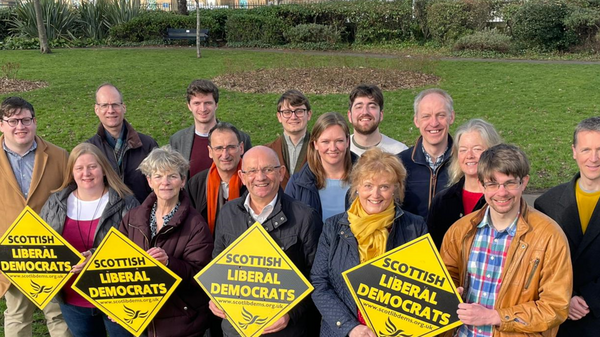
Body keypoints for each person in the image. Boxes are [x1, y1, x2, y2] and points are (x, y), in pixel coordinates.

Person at [441, 144, 572, 336]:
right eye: (492, 184)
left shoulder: (549, 236)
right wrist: (451, 292)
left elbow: (555, 308)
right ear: (481, 185)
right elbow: (445, 278)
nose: (501, 192)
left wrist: (496, 317)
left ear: (524, 182)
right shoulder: (459, 231)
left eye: (510, 183)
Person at [311, 148, 427, 337]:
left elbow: (423, 285)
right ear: (356, 186)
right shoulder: (333, 227)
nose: (375, 194)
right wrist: (350, 327)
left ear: (395, 189)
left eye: (384, 186)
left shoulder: (415, 227)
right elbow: (319, 283)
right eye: (368, 185)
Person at [210, 146, 322, 337]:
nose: (260, 177)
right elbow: (217, 266)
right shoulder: (228, 212)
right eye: (252, 171)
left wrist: (291, 313)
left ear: (281, 173)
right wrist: (215, 297)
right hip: (236, 330)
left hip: (285, 331)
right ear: (242, 177)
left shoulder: (305, 216)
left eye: (268, 169)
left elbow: (317, 278)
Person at [40, 143, 139, 337]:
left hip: (118, 297)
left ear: (103, 169)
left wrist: (96, 258)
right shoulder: (55, 203)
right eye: (79, 168)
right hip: (73, 300)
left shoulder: (126, 202)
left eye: (92, 166)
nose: (86, 173)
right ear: (71, 172)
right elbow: (44, 244)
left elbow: (138, 246)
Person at [119, 146, 214, 337]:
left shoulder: (196, 224)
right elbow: (119, 262)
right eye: (158, 176)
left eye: (172, 176)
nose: (165, 182)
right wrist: (117, 304)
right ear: (149, 181)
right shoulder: (132, 218)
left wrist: (169, 263)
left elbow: (201, 276)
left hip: (180, 322)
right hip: (141, 319)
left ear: (183, 180)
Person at [0, 96, 71, 337]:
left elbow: (72, 201)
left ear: (35, 122)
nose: (20, 126)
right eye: (12, 121)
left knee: (59, 316)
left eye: (26, 120)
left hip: (51, 253)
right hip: (11, 255)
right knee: (17, 316)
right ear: (1, 124)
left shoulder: (60, 156)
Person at [535, 116, 600, 336]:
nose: (594, 158)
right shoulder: (547, 204)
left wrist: (591, 297)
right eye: (586, 150)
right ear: (574, 151)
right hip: (562, 322)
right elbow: (539, 265)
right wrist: (565, 297)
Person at [427, 119, 502, 249]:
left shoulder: (503, 197)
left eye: (477, 149)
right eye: (463, 150)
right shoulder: (441, 201)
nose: (469, 155)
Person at [87, 83, 158, 203]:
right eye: (104, 105)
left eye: (115, 104)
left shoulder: (148, 145)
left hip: (141, 217)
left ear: (124, 107)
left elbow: (159, 188)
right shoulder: (89, 150)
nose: (110, 110)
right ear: (96, 109)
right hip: (104, 220)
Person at [170, 79, 252, 179]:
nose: (203, 109)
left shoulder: (240, 138)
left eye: (208, 103)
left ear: (216, 105)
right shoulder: (178, 140)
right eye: (197, 103)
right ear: (189, 106)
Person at [285, 112, 355, 221]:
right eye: (325, 142)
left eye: (339, 141)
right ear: (315, 144)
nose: (332, 148)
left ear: (347, 142)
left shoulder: (366, 178)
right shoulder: (297, 183)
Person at [399, 88, 455, 218]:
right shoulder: (400, 164)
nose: (434, 123)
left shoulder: (464, 163)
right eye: (426, 116)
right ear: (416, 121)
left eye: (440, 115)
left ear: (451, 117)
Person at [186, 122, 247, 235]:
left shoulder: (254, 182)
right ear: (210, 151)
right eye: (219, 148)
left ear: (241, 148)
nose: (225, 155)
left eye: (231, 147)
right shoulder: (195, 184)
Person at [265, 89, 312, 189]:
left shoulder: (321, 149)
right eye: (287, 112)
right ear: (279, 116)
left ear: (308, 115)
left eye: (299, 111)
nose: (293, 117)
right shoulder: (267, 151)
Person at [347, 84, 407, 156]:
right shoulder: (340, 151)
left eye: (372, 106)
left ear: (381, 115)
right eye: (359, 107)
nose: (365, 112)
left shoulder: (400, 153)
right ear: (349, 116)